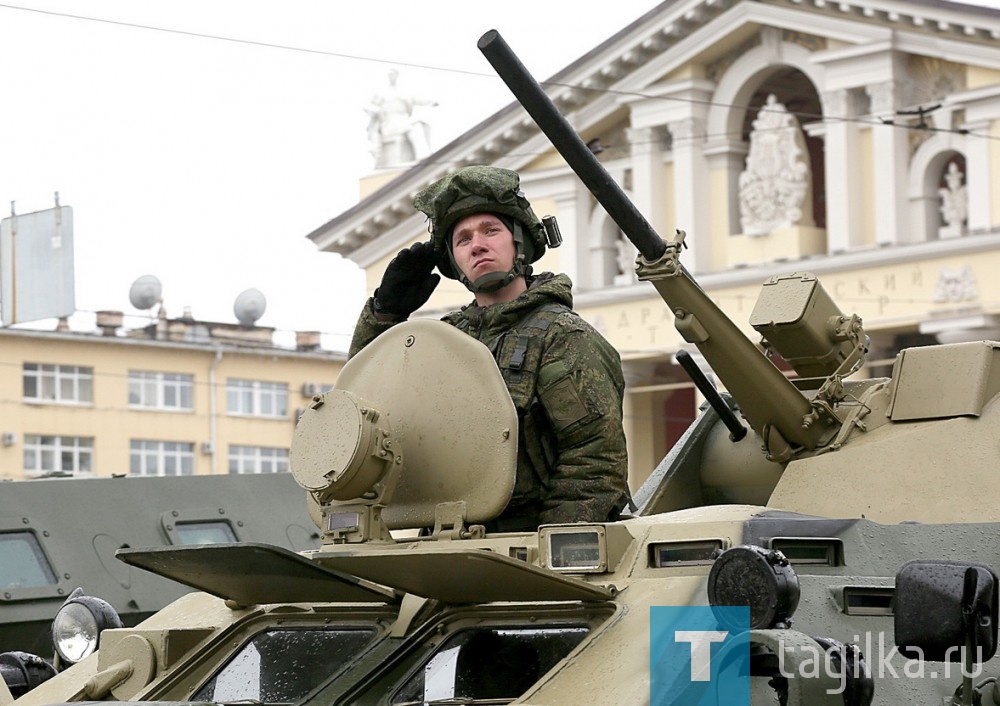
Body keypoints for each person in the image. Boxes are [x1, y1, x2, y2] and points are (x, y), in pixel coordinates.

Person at [349, 165, 629, 531]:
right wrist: (385, 315)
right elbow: (363, 410)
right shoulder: (443, 342)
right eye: (462, 239)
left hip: (528, 542)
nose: (477, 244)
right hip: (445, 539)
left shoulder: (563, 337)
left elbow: (594, 457)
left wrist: (554, 550)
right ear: (454, 261)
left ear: (519, 243)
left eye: (491, 230)